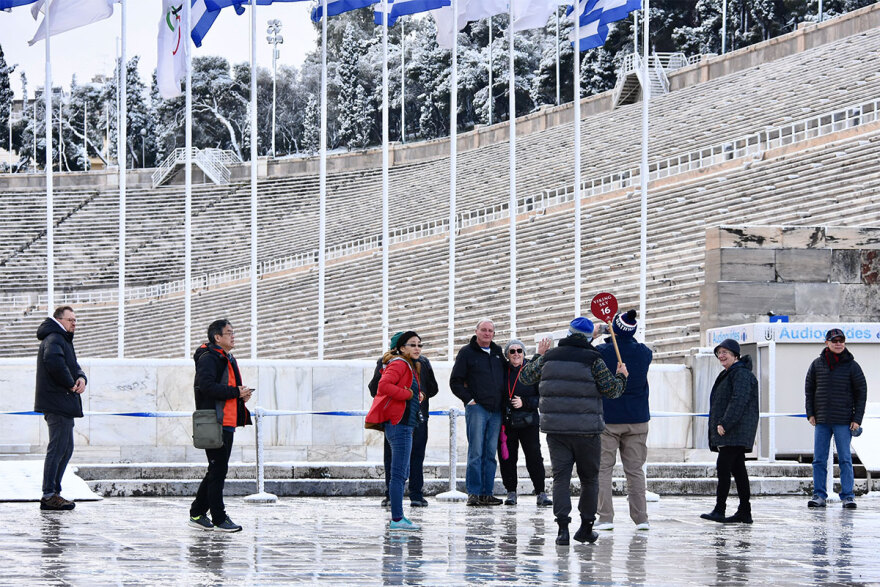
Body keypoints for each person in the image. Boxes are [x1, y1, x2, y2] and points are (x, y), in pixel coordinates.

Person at [520, 317, 628, 546]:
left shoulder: (549, 357)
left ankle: (562, 530)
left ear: (568, 334)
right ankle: (586, 527)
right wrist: (622, 376)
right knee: (589, 479)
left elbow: (525, 377)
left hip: (556, 430)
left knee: (561, 478)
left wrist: (538, 355)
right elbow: (613, 390)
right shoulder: (593, 359)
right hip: (587, 431)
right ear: (589, 338)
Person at [189, 319, 253, 533]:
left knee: (216, 470)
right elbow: (206, 386)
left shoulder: (227, 357)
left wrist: (241, 395)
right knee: (218, 471)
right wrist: (235, 392)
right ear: (217, 337)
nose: (233, 336)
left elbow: (227, 387)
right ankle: (219, 518)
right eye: (229, 333)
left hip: (227, 420)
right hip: (214, 421)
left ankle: (197, 513)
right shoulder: (209, 357)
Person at [595, 310, 653, 531]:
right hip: (637, 418)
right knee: (635, 470)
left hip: (609, 418)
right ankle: (641, 518)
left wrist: (597, 335)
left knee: (603, 469)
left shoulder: (602, 352)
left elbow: (585, 355)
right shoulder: (645, 353)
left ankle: (605, 517)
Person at [368, 331, 439, 508]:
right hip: (400, 418)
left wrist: (420, 394)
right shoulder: (393, 363)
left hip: (414, 416)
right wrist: (407, 394)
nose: (417, 348)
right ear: (400, 347)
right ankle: (407, 497)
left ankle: (404, 496)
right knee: (401, 459)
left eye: (419, 345)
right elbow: (379, 387)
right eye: (412, 345)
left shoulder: (421, 362)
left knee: (404, 457)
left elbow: (432, 388)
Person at [805, 328, 867, 509]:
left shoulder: (853, 366)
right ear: (827, 343)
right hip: (822, 421)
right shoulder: (817, 365)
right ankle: (819, 495)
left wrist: (857, 419)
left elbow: (861, 393)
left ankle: (848, 496)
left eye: (841, 340)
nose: (838, 344)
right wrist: (810, 413)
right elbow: (809, 390)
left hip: (844, 421)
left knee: (845, 459)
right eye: (834, 341)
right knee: (819, 459)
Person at [700, 339, 759, 525]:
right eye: (719, 352)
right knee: (738, 469)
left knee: (724, 466)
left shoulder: (740, 374)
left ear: (735, 355)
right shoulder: (730, 373)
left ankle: (720, 510)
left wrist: (725, 423)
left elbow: (738, 400)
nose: (721, 355)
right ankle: (744, 511)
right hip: (734, 431)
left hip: (735, 430)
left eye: (725, 352)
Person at [34, 306, 87, 511]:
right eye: (70, 320)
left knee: (66, 449)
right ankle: (49, 494)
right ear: (59, 320)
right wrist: (71, 384)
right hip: (57, 403)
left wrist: (81, 377)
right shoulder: (54, 338)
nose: (74, 323)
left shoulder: (62, 339)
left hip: (64, 402)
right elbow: (54, 364)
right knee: (58, 449)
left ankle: (54, 492)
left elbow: (74, 366)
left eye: (75, 320)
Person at [450, 319, 507, 506]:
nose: (487, 333)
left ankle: (486, 493)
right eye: (484, 330)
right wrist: (469, 400)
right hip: (477, 408)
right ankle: (473, 493)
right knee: (476, 452)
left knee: (490, 453)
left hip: (496, 410)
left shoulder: (498, 353)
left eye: (490, 330)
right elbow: (455, 381)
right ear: (476, 331)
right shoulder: (466, 353)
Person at [497, 338, 551, 507]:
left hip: (529, 421)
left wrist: (525, 402)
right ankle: (511, 492)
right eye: (512, 351)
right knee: (507, 458)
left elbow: (543, 396)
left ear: (524, 353)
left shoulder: (532, 369)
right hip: (507, 422)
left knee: (534, 457)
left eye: (519, 351)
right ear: (507, 354)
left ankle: (540, 492)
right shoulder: (501, 370)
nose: (516, 354)